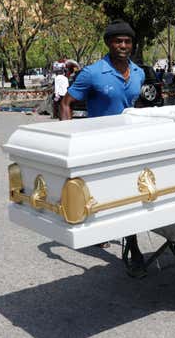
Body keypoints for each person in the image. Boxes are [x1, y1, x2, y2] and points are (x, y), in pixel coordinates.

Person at [59, 20, 147, 278]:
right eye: (118, 41)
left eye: (127, 41)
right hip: (100, 146)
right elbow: (67, 102)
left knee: (131, 194)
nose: (123, 45)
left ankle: (131, 245)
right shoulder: (93, 73)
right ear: (109, 43)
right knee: (105, 195)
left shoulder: (139, 72)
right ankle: (114, 236)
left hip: (129, 144)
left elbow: (134, 104)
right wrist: (68, 137)